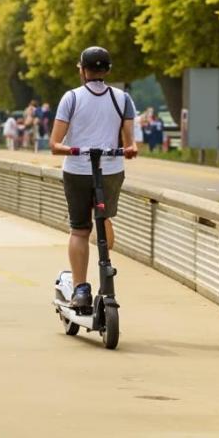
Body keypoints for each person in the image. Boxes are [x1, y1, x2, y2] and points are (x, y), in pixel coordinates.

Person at [50, 46, 138, 309]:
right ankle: (104, 269)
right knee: (104, 217)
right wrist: (129, 149)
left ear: (82, 70)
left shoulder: (71, 98)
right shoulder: (123, 99)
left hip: (77, 170)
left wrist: (76, 148)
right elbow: (130, 143)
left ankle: (80, 288)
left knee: (79, 229)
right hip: (111, 170)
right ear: (108, 70)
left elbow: (55, 144)